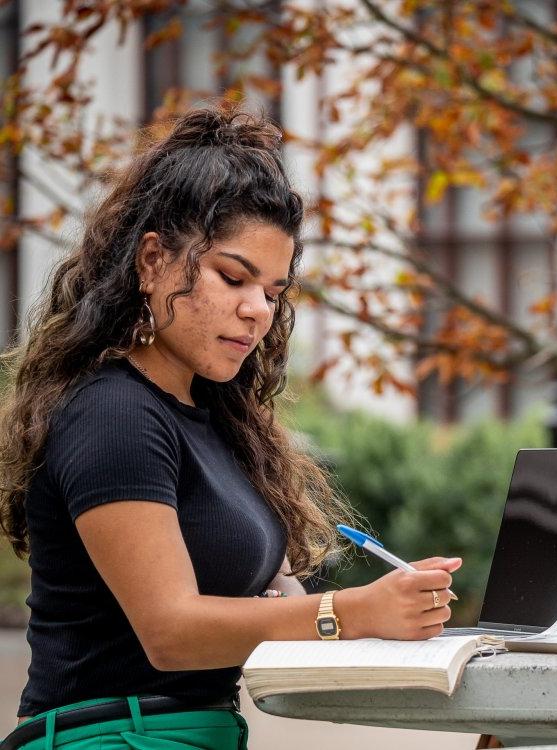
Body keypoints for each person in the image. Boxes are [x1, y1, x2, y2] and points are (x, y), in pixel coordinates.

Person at [0, 106, 461, 750]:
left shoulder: (213, 417)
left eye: (273, 293)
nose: (256, 311)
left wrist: (393, 616)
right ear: (153, 262)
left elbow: (268, 603)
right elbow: (171, 632)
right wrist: (351, 613)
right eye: (233, 277)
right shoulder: (114, 414)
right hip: (113, 738)